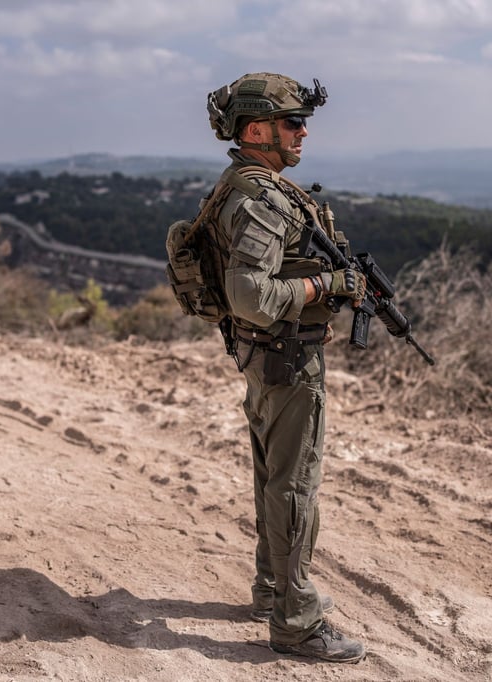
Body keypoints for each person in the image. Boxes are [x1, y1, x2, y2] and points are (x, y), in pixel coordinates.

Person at [205, 72, 367, 663]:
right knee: (295, 484)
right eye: (293, 122)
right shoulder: (261, 200)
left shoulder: (245, 186)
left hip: (265, 354)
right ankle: (296, 621)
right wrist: (328, 284)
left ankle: (273, 588)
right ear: (255, 130)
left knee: (275, 475)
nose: (303, 133)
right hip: (287, 358)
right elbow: (250, 294)